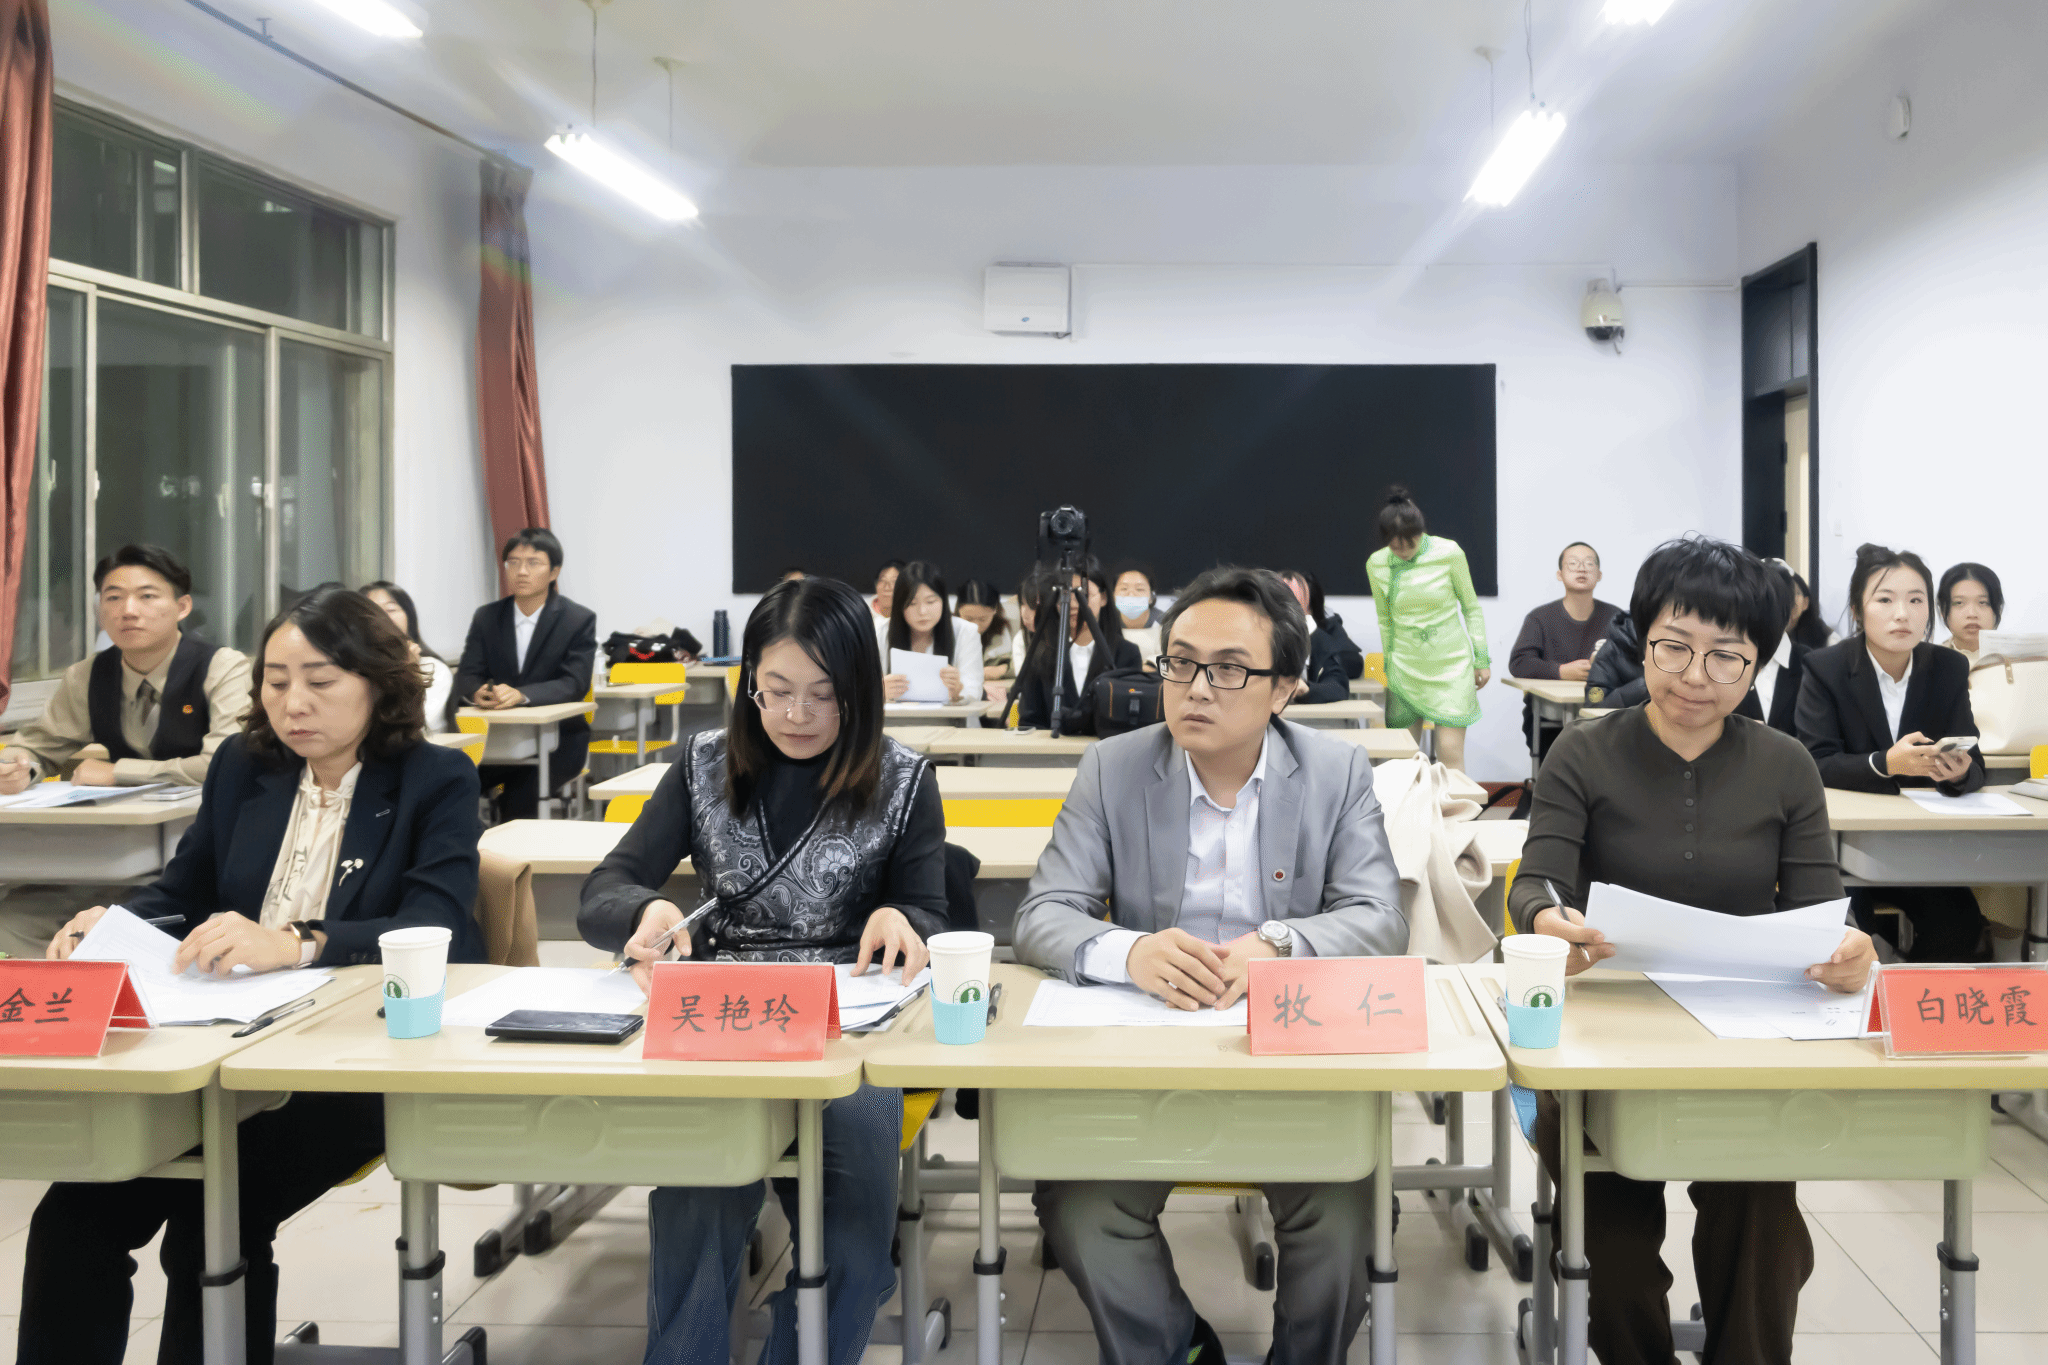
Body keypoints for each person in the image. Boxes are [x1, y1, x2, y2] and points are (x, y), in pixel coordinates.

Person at [19, 585, 484, 1365]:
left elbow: (438, 923)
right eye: (275, 680)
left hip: (353, 1060)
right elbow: (185, 890)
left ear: (378, 683)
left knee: (213, 1220)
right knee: (73, 1216)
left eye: (320, 680)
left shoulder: (434, 777)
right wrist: (114, 923)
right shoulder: (245, 765)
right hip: (213, 1054)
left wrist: (296, 943)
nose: (293, 703)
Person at [1013, 565, 1405, 1365]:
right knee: (1078, 1206)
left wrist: (1280, 945)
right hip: (1150, 1057)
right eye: (1180, 662)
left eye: (1228, 669)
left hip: (1291, 1061)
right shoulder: (1113, 767)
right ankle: (1179, 1347)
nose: (1195, 688)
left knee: (1352, 1214)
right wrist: (1131, 951)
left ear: (1284, 688)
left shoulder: (1335, 773)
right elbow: (1042, 913)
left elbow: (1379, 918)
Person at [1509, 536, 1872, 1365]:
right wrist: (1550, 920)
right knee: (1612, 1253)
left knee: (1764, 1228)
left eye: (1726, 656)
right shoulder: (1582, 750)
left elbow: (1821, 913)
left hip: (1744, 1048)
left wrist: (1851, 950)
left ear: (1758, 664)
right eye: (1673, 647)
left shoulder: (1785, 764)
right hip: (1603, 1049)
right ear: (1642, 640)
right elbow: (1537, 883)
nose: (1695, 677)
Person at [579, 576, 945, 1365]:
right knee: (696, 1204)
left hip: (849, 1037)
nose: (796, 714)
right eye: (776, 690)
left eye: (824, 694)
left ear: (859, 688)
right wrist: (644, 910)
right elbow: (605, 888)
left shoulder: (904, 776)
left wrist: (904, 920)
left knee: (854, 1235)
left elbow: (933, 910)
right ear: (749, 682)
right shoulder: (703, 763)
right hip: (723, 1023)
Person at [0, 544, 252, 960]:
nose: (128, 611)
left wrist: (120, 772)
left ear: (182, 606)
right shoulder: (87, 676)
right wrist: (20, 767)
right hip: (108, 855)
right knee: (13, 922)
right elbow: (39, 744)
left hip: (200, 854)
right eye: (113, 597)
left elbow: (222, 763)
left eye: (147, 596)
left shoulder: (222, 667)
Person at [1796, 543, 1987, 961]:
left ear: (1929, 610)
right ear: (1858, 610)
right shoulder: (1825, 668)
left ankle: (1909, 992)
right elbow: (1816, 761)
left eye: (1916, 600)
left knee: (1960, 925)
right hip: (1844, 849)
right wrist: (1885, 763)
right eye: (1885, 600)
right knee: (1849, 935)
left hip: (1922, 846)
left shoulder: (1949, 668)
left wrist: (1958, 772)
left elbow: (1976, 762)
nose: (1902, 614)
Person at [451, 528, 599, 820]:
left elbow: (575, 683)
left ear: (554, 572)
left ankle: (512, 849)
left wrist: (522, 695)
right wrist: (477, 693)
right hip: (497, 738)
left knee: (521, 797)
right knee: (451, 784)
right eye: (513, 562)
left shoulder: (577, 619)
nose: (521, 571)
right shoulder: (487, 617)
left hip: (559, 739)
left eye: (533, 563)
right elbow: (467, 675)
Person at [1363, 488, 1490, 771]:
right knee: (1402, 759)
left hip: (1451, 666)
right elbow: (1385, 620)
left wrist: (1481, 658)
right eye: (1396, 547)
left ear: (1421, 532)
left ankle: (1454, 802)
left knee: (1450, 753)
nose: (1404, 552)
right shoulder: (1377, 563)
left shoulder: (1449, 552)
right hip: (1405, 666)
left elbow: (1471, 608)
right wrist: (1390, 665)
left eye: (1410, 543)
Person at [1509, 541, 1622, 754]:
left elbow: (1635, 662)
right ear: (1559, 575)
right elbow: (1519, 663)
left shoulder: (1616, 618)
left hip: (1602, 710)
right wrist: (1561, 671)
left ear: (1599, 575)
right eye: (1573, 563)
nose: (1581, 569)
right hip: (1549, 714)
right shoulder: (1539, 618)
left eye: (1589, 564)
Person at [1011, 568, 1141, 733]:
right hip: (1051, 747)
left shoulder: (1127, 653)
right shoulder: (1041, 653)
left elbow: (1131, 720)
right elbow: (1029, 720)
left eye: (1082, 595)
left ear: (1103, 598)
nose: (1073, 604)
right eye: (1064, 595)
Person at [879, 560, 984, 705]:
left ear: (943, 601)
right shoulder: (880, 632)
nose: (922, 611)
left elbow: (974, 690)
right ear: (900, 606)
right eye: (912, 603)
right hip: (897, 718)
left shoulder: (965, 632)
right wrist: (880, 690)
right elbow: (859, 689)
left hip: (951, 718)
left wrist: (959, 690)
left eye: (931, 601)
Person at [362, 579, 455, 731]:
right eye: (372, 611)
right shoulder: (354, 668)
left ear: (409, 617)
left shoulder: (433, 669)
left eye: (391, 610)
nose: (383, 617)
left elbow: (415, 726)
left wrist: (407, 672)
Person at [1279, 568, 1365, 704]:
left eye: (1297, 604)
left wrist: (1307, 690)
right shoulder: (1257, 636)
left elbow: (1338, 686)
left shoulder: (1318, 638)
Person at [1753, 559, 1811, 736]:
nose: (1767, 615)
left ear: (1792, 609)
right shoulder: (1727, 658)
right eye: (1757, 604)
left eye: (1777, 606)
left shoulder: (1811, 664)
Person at [1937, 561, 2003, 663]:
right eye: (1959, 603)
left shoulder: (2018, 661)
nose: (1972, 614)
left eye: (1983, 602)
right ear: (1943, 610)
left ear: (1998, 609)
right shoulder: (1929, 663)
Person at [954, 578, 1014, 682]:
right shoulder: (946, 630)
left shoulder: (1009, 629)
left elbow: (1026, 662)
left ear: (995, 611)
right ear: (958, 611)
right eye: (969, 619)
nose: (975, 626)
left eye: (982, 619)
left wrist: (1003, 669)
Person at [1112, 564, 1166, 670]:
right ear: (1113, 595)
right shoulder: (1105, 622)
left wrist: (1150, 666)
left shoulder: (1166, 623)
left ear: (1151, 597)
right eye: (1124, 588)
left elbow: (1172, 656)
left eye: (1140, 589)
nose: (1131, 594)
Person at [1786, 571, 1835, 651]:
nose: (1791, 599)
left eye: (1796, 593)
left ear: (1805, 603)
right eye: (1785, 592)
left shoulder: (1828, 639)